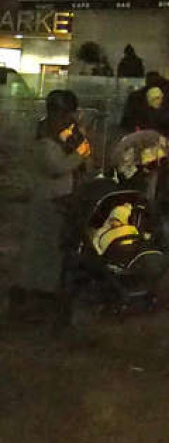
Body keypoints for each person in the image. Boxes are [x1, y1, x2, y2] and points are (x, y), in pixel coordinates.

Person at [9, 90, 91, 323]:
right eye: (64, 114)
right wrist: (80, 154)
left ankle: (45, 294)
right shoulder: (43, 135)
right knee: (39, 249)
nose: (67, 120)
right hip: (47, 199)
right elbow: (55, 166)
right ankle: (28, 294)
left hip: (61, 198)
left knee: (53, 249)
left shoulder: (62, 133)